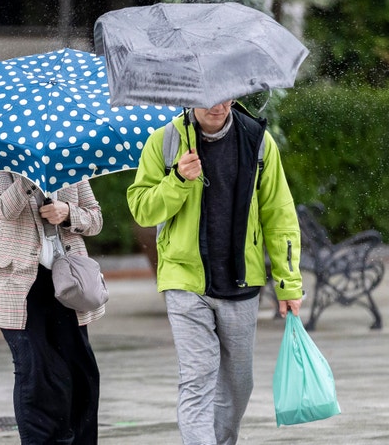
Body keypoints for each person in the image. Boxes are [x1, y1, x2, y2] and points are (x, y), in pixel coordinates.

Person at [127, 99, 304, 445]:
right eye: (208, 98)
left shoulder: (258, 141)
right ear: (189, 97)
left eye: (226, 94)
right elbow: (142, 210)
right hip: (185, 281)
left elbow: (280, 216)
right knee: (197, 379)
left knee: (239, 384)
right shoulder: (164, 142)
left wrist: (288, 283)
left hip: (241, 281)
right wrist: (178, 178)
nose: (218, 105)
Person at [0, 170, 104, 444]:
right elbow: (2, 210)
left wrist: (68, 212)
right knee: (38, 373)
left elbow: (95, 218)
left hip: (68, 283)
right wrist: (28, 177)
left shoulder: (70, 159)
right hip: (19, 283)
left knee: (81, 373)